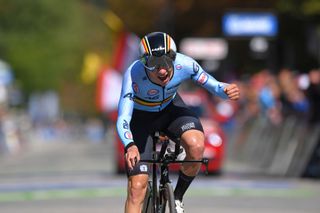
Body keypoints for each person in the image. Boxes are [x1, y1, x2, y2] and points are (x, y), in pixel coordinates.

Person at [116, 32, 240, 213]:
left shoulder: (186, 64)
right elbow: (123, 117)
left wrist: (226, 90)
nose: (162, 70)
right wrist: (130, 144)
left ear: (174, 58)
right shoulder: (133, 74)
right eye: (153, 64)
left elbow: (214, 86)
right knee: (137, 188)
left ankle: (178, 196)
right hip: (140, 119)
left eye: (166, 62)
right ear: (144, 63)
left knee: (196, 146)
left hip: (171, 110)